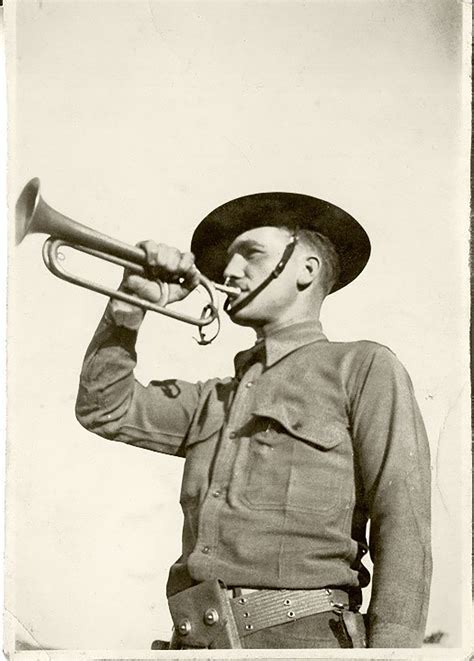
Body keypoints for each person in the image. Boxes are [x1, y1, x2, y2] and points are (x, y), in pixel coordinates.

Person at [75, 192, 432, 649]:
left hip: (305, 641)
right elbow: (103, 407)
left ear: (306, 269)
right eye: (229, 258)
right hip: (197, 642)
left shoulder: (362, 368)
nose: (228, 271)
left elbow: (403, 524)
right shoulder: (214, 398)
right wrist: (128, 306)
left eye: (251, 253)